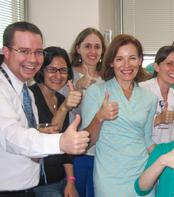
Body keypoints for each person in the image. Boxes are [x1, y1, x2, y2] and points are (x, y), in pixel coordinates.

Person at [0, 21, 89, 196]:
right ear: (6, 52)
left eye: (38, 52)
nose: (33, 59)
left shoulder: (25, 92)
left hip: (29, 187)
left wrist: (43, 134)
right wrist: (60, 141)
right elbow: (11, 136)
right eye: (24, 51)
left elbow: (30, 135)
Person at [81, 34, 157, 196]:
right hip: (109, 178)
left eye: (132, 58)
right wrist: (99, 117)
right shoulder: (96, 92)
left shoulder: (150, 98)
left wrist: (168, 157)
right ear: (110, 62)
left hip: (142, 174)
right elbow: (86, 142)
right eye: (119, 59)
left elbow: (147, 140)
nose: (126, 65)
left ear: (140, 60)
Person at [30, 46, 82, 197]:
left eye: (63, 70)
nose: (58, 75)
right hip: (39, 183)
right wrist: (65, 107)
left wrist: (71, 181)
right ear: (41, 70)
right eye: (52, 69)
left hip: (61, 179)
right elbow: (48, 136)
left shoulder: (60, 99)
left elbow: (64, 144)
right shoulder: (30, 96)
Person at [67, 27, 106, 197]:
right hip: (80, 151)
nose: (92, 51)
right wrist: (77, 89)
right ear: (78, 48)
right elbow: (62, 111)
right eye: (87, 46)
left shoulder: (108, 77)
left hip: (104, 150)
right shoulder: (68, 75)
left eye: (97, 47)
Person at [139, 46, 174, 144]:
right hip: (142, 154)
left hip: (166, 153)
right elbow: (130, 128)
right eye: (169, 64)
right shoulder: (141, 90)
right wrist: (157, 120)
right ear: (157, 67)